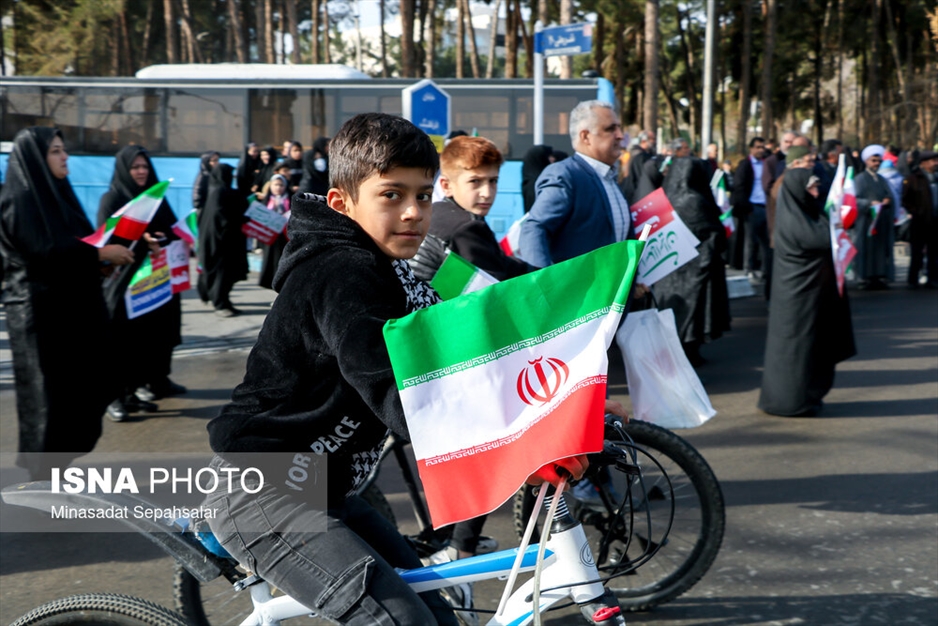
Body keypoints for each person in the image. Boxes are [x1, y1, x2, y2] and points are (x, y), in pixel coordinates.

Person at [201, 112, 589, 625]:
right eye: (391, 194)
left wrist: (573, 399)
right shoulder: (342, 273)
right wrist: (512, 451)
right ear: (343, 203)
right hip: (266, 493)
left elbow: (467, 348)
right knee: (405, 621)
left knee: (439, 613)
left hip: (323, 491)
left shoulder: (394, 269)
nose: (412, 212)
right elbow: (394, 385)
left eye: (424, 195)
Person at [0, 127, 135, 479]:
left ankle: (59, 465)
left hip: (68, 310)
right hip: (38, 316)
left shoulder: (59, 196)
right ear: (35, 159)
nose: (65, 157)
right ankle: (41, 475)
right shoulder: (19, 200)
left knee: (76, 389)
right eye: (56, 151)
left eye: (64, 150)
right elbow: (42, 251)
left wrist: (98, 264)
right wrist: (99, 254)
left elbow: (72, 249)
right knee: (47, 396)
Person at [97, 145, 187, 421]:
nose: (140, 172)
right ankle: (114, 397)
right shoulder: (112, 200)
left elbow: (169, 232)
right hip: (124, 284)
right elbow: (108, 242)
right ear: (124, 169)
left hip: (155, 283)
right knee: (121, 341)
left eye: (144, 167)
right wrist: (141, 242)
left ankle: (138, 389)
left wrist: (159, 240)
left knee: (151, 338)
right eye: (135, 167)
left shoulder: (155, 198)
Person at [758, 169, 856, 416]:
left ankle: (804, 396)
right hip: (797, 301)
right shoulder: (795, 221)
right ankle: (791, 402)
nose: (816, 192)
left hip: (805, 299)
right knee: (796, 352)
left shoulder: (803, 214)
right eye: (810, 187)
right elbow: (822, 239)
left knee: (807, 351)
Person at [519, 100, 633, 268]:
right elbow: (534, 229)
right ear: (585, 136)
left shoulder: (609, 177)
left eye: (619, 127)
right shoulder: (565, 175)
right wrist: (543, 286)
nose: (620, 135)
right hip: (580, 293)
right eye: (610, 129)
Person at [411, 135, 532, 282]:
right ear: (446, 186)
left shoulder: (435, 211)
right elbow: (492, 289)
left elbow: (504, 264)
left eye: (493, 181)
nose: (487, 193)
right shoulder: (467, 227)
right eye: (475, 181)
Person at [654, 157, 731, 365]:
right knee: (692, 317)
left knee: (684, 317)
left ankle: (690, 354)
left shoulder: (667, 197)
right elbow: (711, 233)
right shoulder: (694, 200)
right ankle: (688, 357)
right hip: (695, 269)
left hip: (673, 270)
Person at [197, 163, 249, 316]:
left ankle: (224, 301)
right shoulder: (218, 192)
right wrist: (239, 220)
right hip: (220, 241)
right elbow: (221, 216)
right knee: (221, 273)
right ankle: (219, 304)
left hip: (222, 240)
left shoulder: (218, 190)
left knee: (225, 273)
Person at [852, 144, 896, 289]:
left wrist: (888, 200)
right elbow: (854, 200)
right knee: (866, 250)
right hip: (866, 222)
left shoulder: (882, 179)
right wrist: (869, 203)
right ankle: (864, 278)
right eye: (873, 160)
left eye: (878, 161)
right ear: (866, 161)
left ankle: (879, 276)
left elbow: (889, 195)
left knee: (879, 250)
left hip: (881, 221)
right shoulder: (860, 179)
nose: (876, 164)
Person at [731, 137, 770, 287]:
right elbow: (739, 187)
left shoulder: (766, 164)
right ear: (751, 148)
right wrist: (746, 207)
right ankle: (749, 269)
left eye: (763, 147)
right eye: (758, 147)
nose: (761, 150)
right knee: (751, 242)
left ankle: (766, 270)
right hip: (752, 207)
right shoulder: (745, 165)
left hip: (765, 207)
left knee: (766, 242)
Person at [902, 150, 938, 288]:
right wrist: (915, 212)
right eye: (933, 161)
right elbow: (906, 199)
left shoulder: (935, 177)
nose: (936, 164)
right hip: (920, 221)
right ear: (923, 164)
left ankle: (932, 278)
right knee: (917, 252)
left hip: (935, 220)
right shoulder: (913, 179)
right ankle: (913, 279)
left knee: (934, 252)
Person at [256, 173, 290, 290]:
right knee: (270, 262)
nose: (278, 187)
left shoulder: (289, 199)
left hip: (284, 237)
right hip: (269, 237)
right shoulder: (266, 200)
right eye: (275, 185)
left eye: (281, 185)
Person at [520, 144, 555, 213]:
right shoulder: (536, 184)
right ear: (541, 158)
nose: (552, 159)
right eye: (549, 156)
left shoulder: (530, 181)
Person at [625, 130, 657, 203]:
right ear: (643, 140)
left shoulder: (646, 154)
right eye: (652, 139)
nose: (654, 141)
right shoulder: (639, 156)